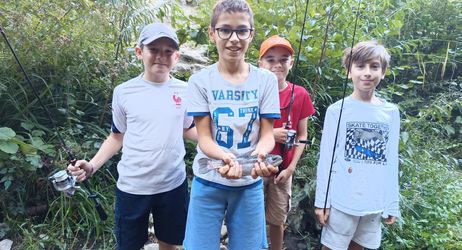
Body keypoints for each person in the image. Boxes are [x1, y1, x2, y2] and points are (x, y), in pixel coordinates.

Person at [67, 23, 197, 250]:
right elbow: (117, 136)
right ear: (140, 52)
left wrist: (219, 140)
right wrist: (92, 165)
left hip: (173, 184)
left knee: (171, 242)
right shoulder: (124, 92)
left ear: (176, 56)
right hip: (133, 185)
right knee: (129, 245)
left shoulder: (185, 90)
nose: (161, 57)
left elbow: (187, 129)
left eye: (168, 51)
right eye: (154, 49)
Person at [183, 0, 281, 249]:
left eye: (242, 30)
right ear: (212, 32)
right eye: (225, 30)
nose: (234, 38)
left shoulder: (266, 80)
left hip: (249, 184)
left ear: (252, 34)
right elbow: (204, 138)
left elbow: (268, 134)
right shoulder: (199, 81)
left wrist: (261, 155)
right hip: (208, 180)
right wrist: (225, 158)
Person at [314, 40, 400, 250]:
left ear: (383, 71)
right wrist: (321, 201)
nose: (367, 73)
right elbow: (326, 158)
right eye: (360, 66)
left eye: (374, 66)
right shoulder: (337, 110)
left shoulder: (391, 112)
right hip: (342, 200)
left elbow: (391, 161)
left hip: (373, 204)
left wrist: (392, 203)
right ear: (349, 72)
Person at [258, 35, 315, 250]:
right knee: (251, 216)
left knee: (277, 219)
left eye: (283, 59)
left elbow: (302, 135)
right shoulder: (254, 92)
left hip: (282, 170)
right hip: (256, 166)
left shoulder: (300, 94)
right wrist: (272, 134)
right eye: (270, 59)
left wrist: (291, 169)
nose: (277, 65)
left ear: (291, 63)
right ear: (260, 63)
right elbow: (244, 129)